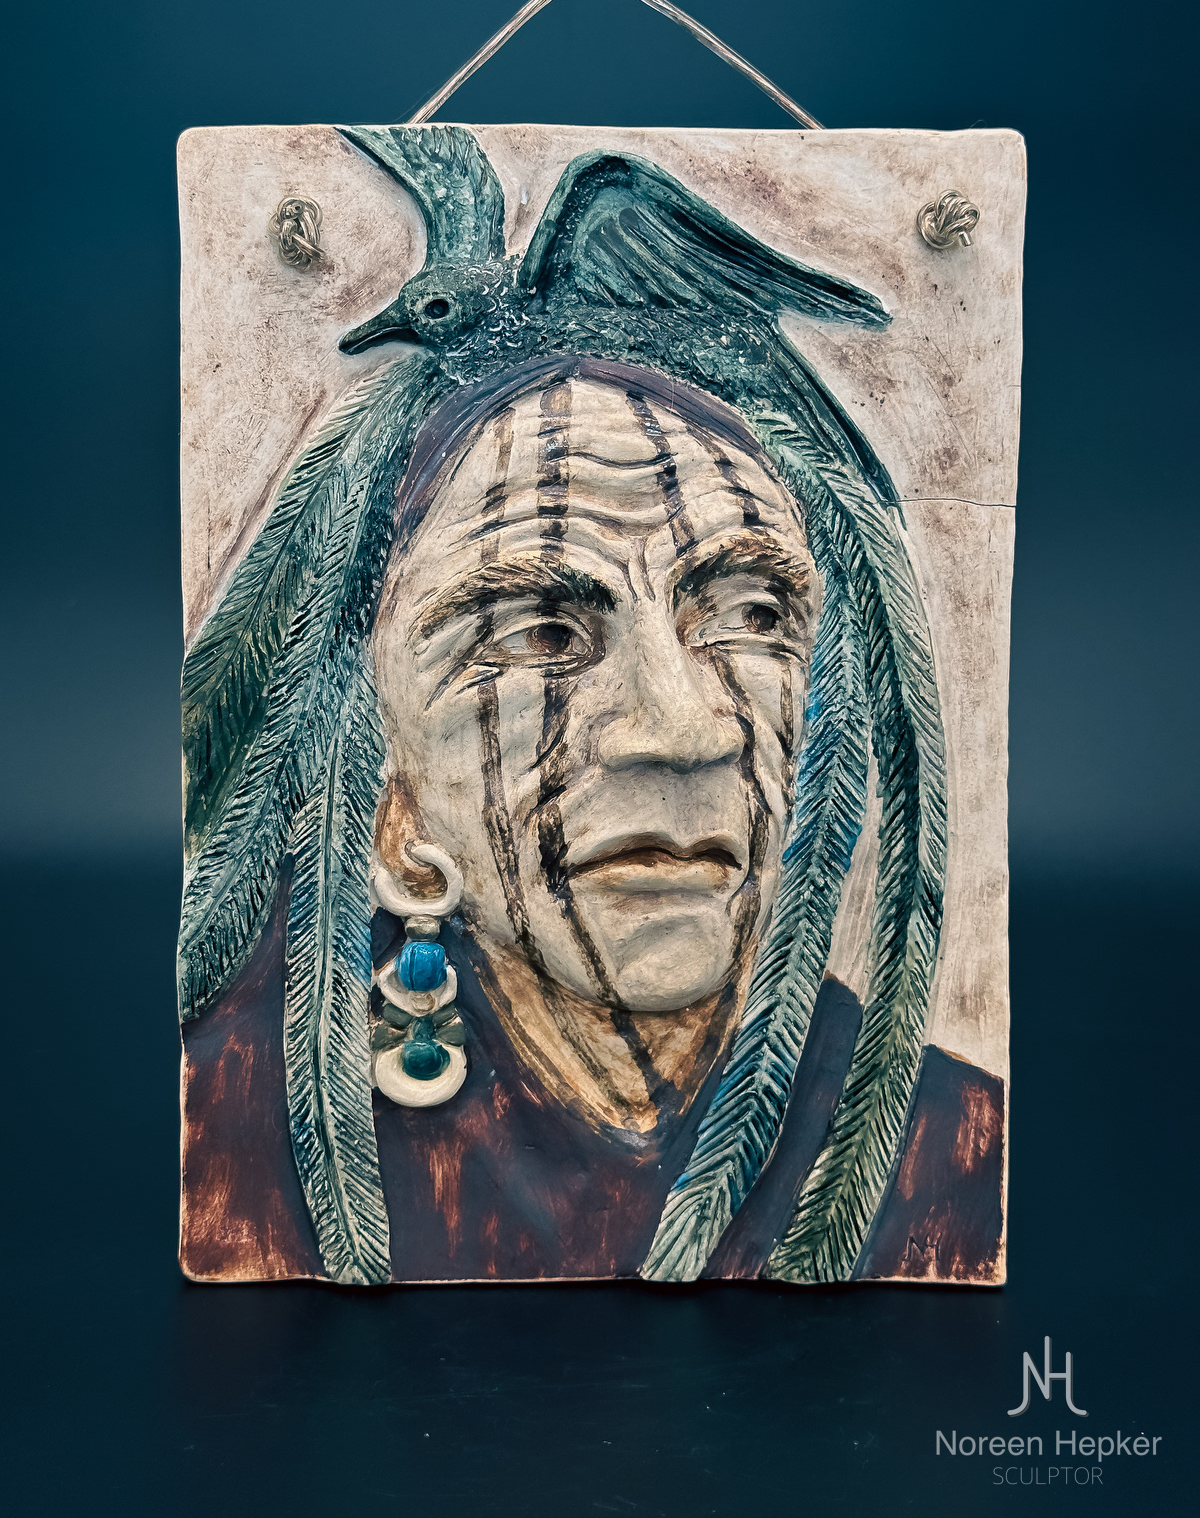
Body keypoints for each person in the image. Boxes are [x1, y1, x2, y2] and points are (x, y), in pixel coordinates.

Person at [177, 128, 1004, 1287]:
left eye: (752, 613)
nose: (686, 730)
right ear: (392, 812)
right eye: (536, 634)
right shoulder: (224, 1129)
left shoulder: (952, 1150)